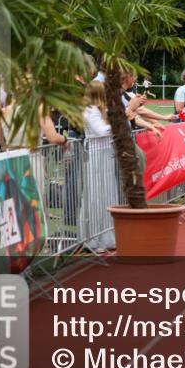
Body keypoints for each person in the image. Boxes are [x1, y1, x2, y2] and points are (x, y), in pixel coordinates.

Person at [80, 80, 119, 252]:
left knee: (107, 192)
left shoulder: (100, 111)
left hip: (104, 155)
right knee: (97, 194)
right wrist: (118, 122)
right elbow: (101, 131)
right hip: (96, 157)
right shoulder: (90, 111)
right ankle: (95, 238)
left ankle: (108, 236)